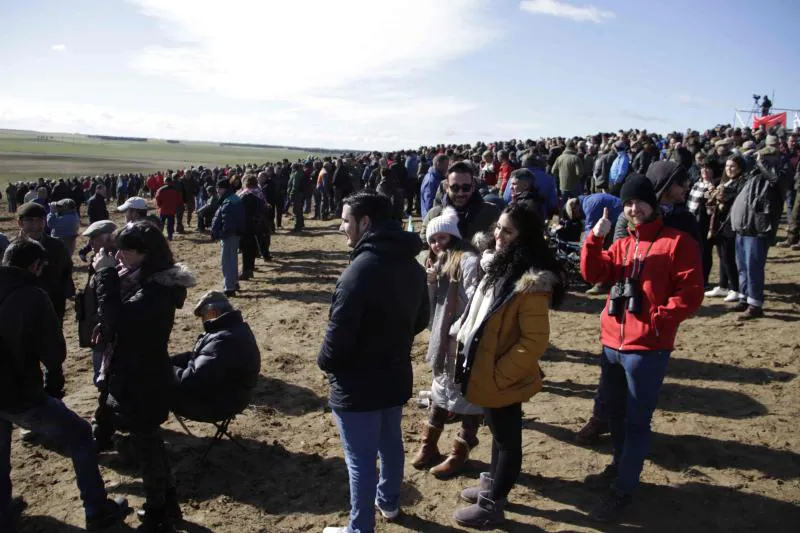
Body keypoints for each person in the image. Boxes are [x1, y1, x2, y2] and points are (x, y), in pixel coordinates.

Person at [580, 176, 703, 523]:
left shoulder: (677, 242)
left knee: (636, 421)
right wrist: (596, 237)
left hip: (646, 347)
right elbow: (593, 274)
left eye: (639, 203)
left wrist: (658, 319)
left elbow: (691, 292)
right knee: (615, 415)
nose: (633, 210)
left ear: (653, 203)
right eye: (628, 204)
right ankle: (619, 468)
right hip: (612, 343)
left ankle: (624, 489)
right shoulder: (622, 244)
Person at [318, 191, 429, 533]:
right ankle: (390, 502)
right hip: (394, 374)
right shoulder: (411, 265)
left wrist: (326, 362)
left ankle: (359, 528)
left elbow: (335, 346)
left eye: (346, 220)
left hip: (359, 385)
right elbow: (421, 318)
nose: (341, 227)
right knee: (390, 444)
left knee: (360, 461)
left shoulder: (357, 273)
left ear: (365, 223)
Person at [0, 238, 127, 532]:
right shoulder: (33, 295)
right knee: (81, 435)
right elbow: (55, 354)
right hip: (20, 393)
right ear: (35, 265)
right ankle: (97, 510)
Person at [451, 203, 565, 528]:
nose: (499, 235)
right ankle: (492, 483)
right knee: (499, 437)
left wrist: (500, 375)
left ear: (524, 237)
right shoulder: (498, 268)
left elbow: (534, 342)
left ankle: (492, 505)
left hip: (502, 376)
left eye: (508, 231)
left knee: (508, 442)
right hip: (486, 370)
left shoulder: (529, 285)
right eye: (498, 227)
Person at [92, 221, 196, 532]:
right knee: (149, 444)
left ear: (145, 254)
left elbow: (118, 319)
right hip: (141, 372)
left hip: (142, 377)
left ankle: (158, 513)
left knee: (147, 447)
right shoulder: (145, 282)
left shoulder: (155, 290)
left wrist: (105, 274)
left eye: (125, 250)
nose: (118, 255)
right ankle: (166, 505)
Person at [411, 207, 482, 478]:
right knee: (440, 390)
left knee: (470, 396)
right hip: (444, 343)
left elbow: (476, 300)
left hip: (465, 340)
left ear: (453, 237)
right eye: (432, 239)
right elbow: (433, 307)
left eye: (442, 238)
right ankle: (429, 445)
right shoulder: (438, 263)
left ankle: (459, 452)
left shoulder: (466, 261)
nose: (436, 244)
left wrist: (457, 329)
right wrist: (429, 282)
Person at [171, 291, 261, 422]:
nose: (202, 320)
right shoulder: (236, 328)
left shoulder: (221, 339)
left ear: (213, 312)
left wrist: (167, 368)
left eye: (203, 316)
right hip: (232, 398)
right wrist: (171, 361)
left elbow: (190, 380)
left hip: (215, 407)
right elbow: (201, 358)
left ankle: (145, 432)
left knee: (154, 383)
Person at [730, 153, 784, 319]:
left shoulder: (779, 170)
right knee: (742, 266)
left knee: (753, 267)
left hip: (757, 228)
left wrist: (762, 164)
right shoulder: (751, 174)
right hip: (743, 227)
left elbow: (777, 180)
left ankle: (755, 304)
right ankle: (745, 297)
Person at [75, 220, 118, 386]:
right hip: (97, 324)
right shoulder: (98, 260)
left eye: (94, 238)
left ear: (109, 239)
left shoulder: (115, 261)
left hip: (106, 326)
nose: (90, 242)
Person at [16, 202, 73, 324]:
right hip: (22, 310)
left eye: (40, 220)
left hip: (52, 306)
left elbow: (66, 271)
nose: (36, 225)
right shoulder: (13, 250)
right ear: (20, 223)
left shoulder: (56, 246)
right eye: (30, 220)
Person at [421, 162, 501, 245]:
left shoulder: (491, 213)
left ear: (473, 186)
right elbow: (424, 243)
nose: (460, 193)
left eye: (465, 188)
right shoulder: (434, 215)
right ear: (447, 187)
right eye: (455, 188)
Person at [704, 156, 748, 303]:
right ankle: (723, 285)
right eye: (728, 166)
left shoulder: (741, 183)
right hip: (719, 223)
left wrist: (719, 196)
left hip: (730, 224)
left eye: (733, 166)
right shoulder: (725, 181)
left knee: (729, 258)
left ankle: (735, 288)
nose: (729, 169)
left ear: (740, 168)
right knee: (722, 257)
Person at [211, 179, 245, 297]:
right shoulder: (234, 199)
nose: (217, 191)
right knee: (232, 259)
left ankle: (229, 288)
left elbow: (228, 222)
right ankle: (234, 283)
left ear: (224, 189)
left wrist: (220, 234)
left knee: (227, 261)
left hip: (229, 235)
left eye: (218, 188)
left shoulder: (229, 202)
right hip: (234, 234)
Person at [238, 175, 270, 280]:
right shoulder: (258, 193)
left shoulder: (243, 194)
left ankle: (246, 271)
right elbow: (264, 207)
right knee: (252, 248)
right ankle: (250, 269)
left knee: (245, 249)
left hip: (245, 225)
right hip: (256, 224)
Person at [155, 177, 182, 241]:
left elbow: (157, 198)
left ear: (165, 182)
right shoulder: (175, 190)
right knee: (170, 224)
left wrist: (159, 205)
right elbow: (179, 200)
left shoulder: (161, 190)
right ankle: (170, 236)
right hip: (172, 210)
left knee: (161, 223)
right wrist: (176, 206)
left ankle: (160, 236)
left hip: (163, 209)